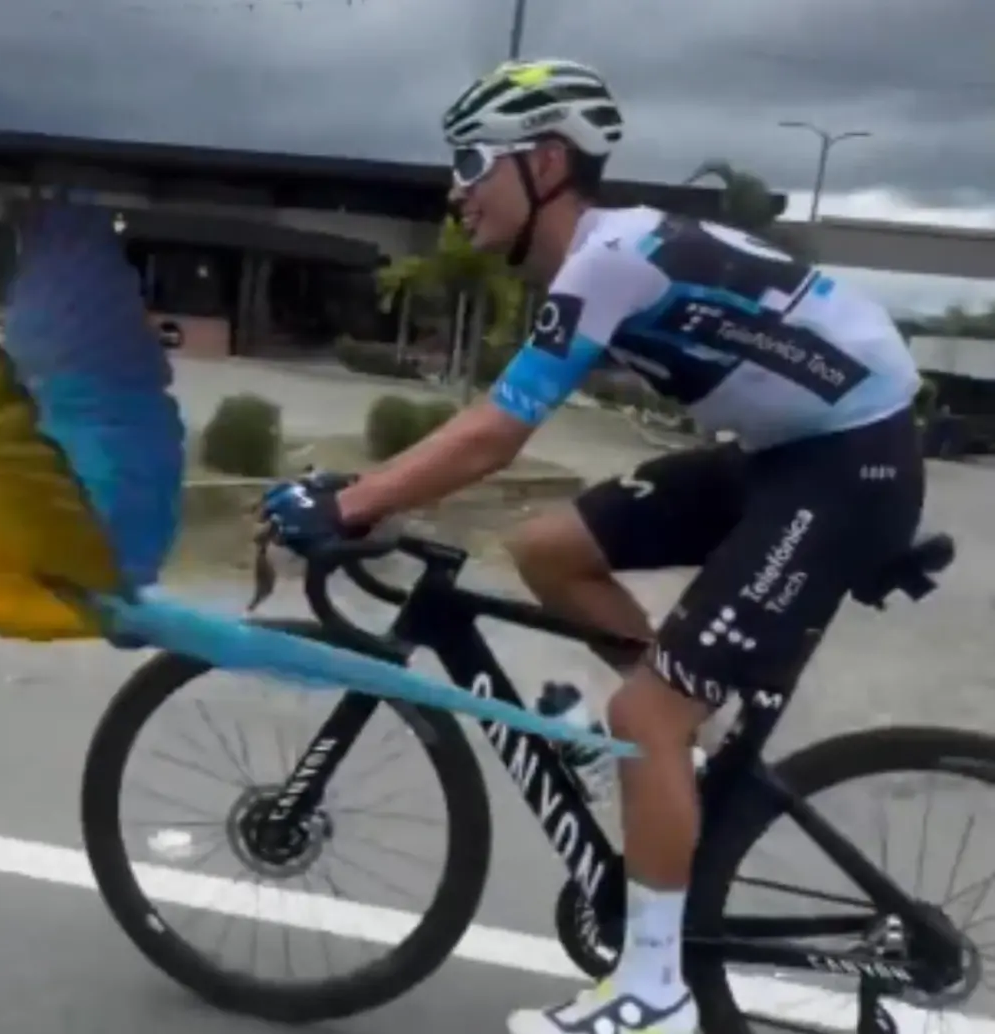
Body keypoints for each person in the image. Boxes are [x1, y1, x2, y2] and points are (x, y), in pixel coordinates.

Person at [259, 58, 925, 1034]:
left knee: (641, 712)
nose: (455, 189)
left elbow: (494, 434)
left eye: (471, 161)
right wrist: (374, 499)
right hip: (789, 455)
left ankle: (653, 990)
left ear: (545, 162)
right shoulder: (607, 256)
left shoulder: (609, 260)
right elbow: (488, 430)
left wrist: (350, 503)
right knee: (548, 549)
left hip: (843, 468)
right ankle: (678, 760)